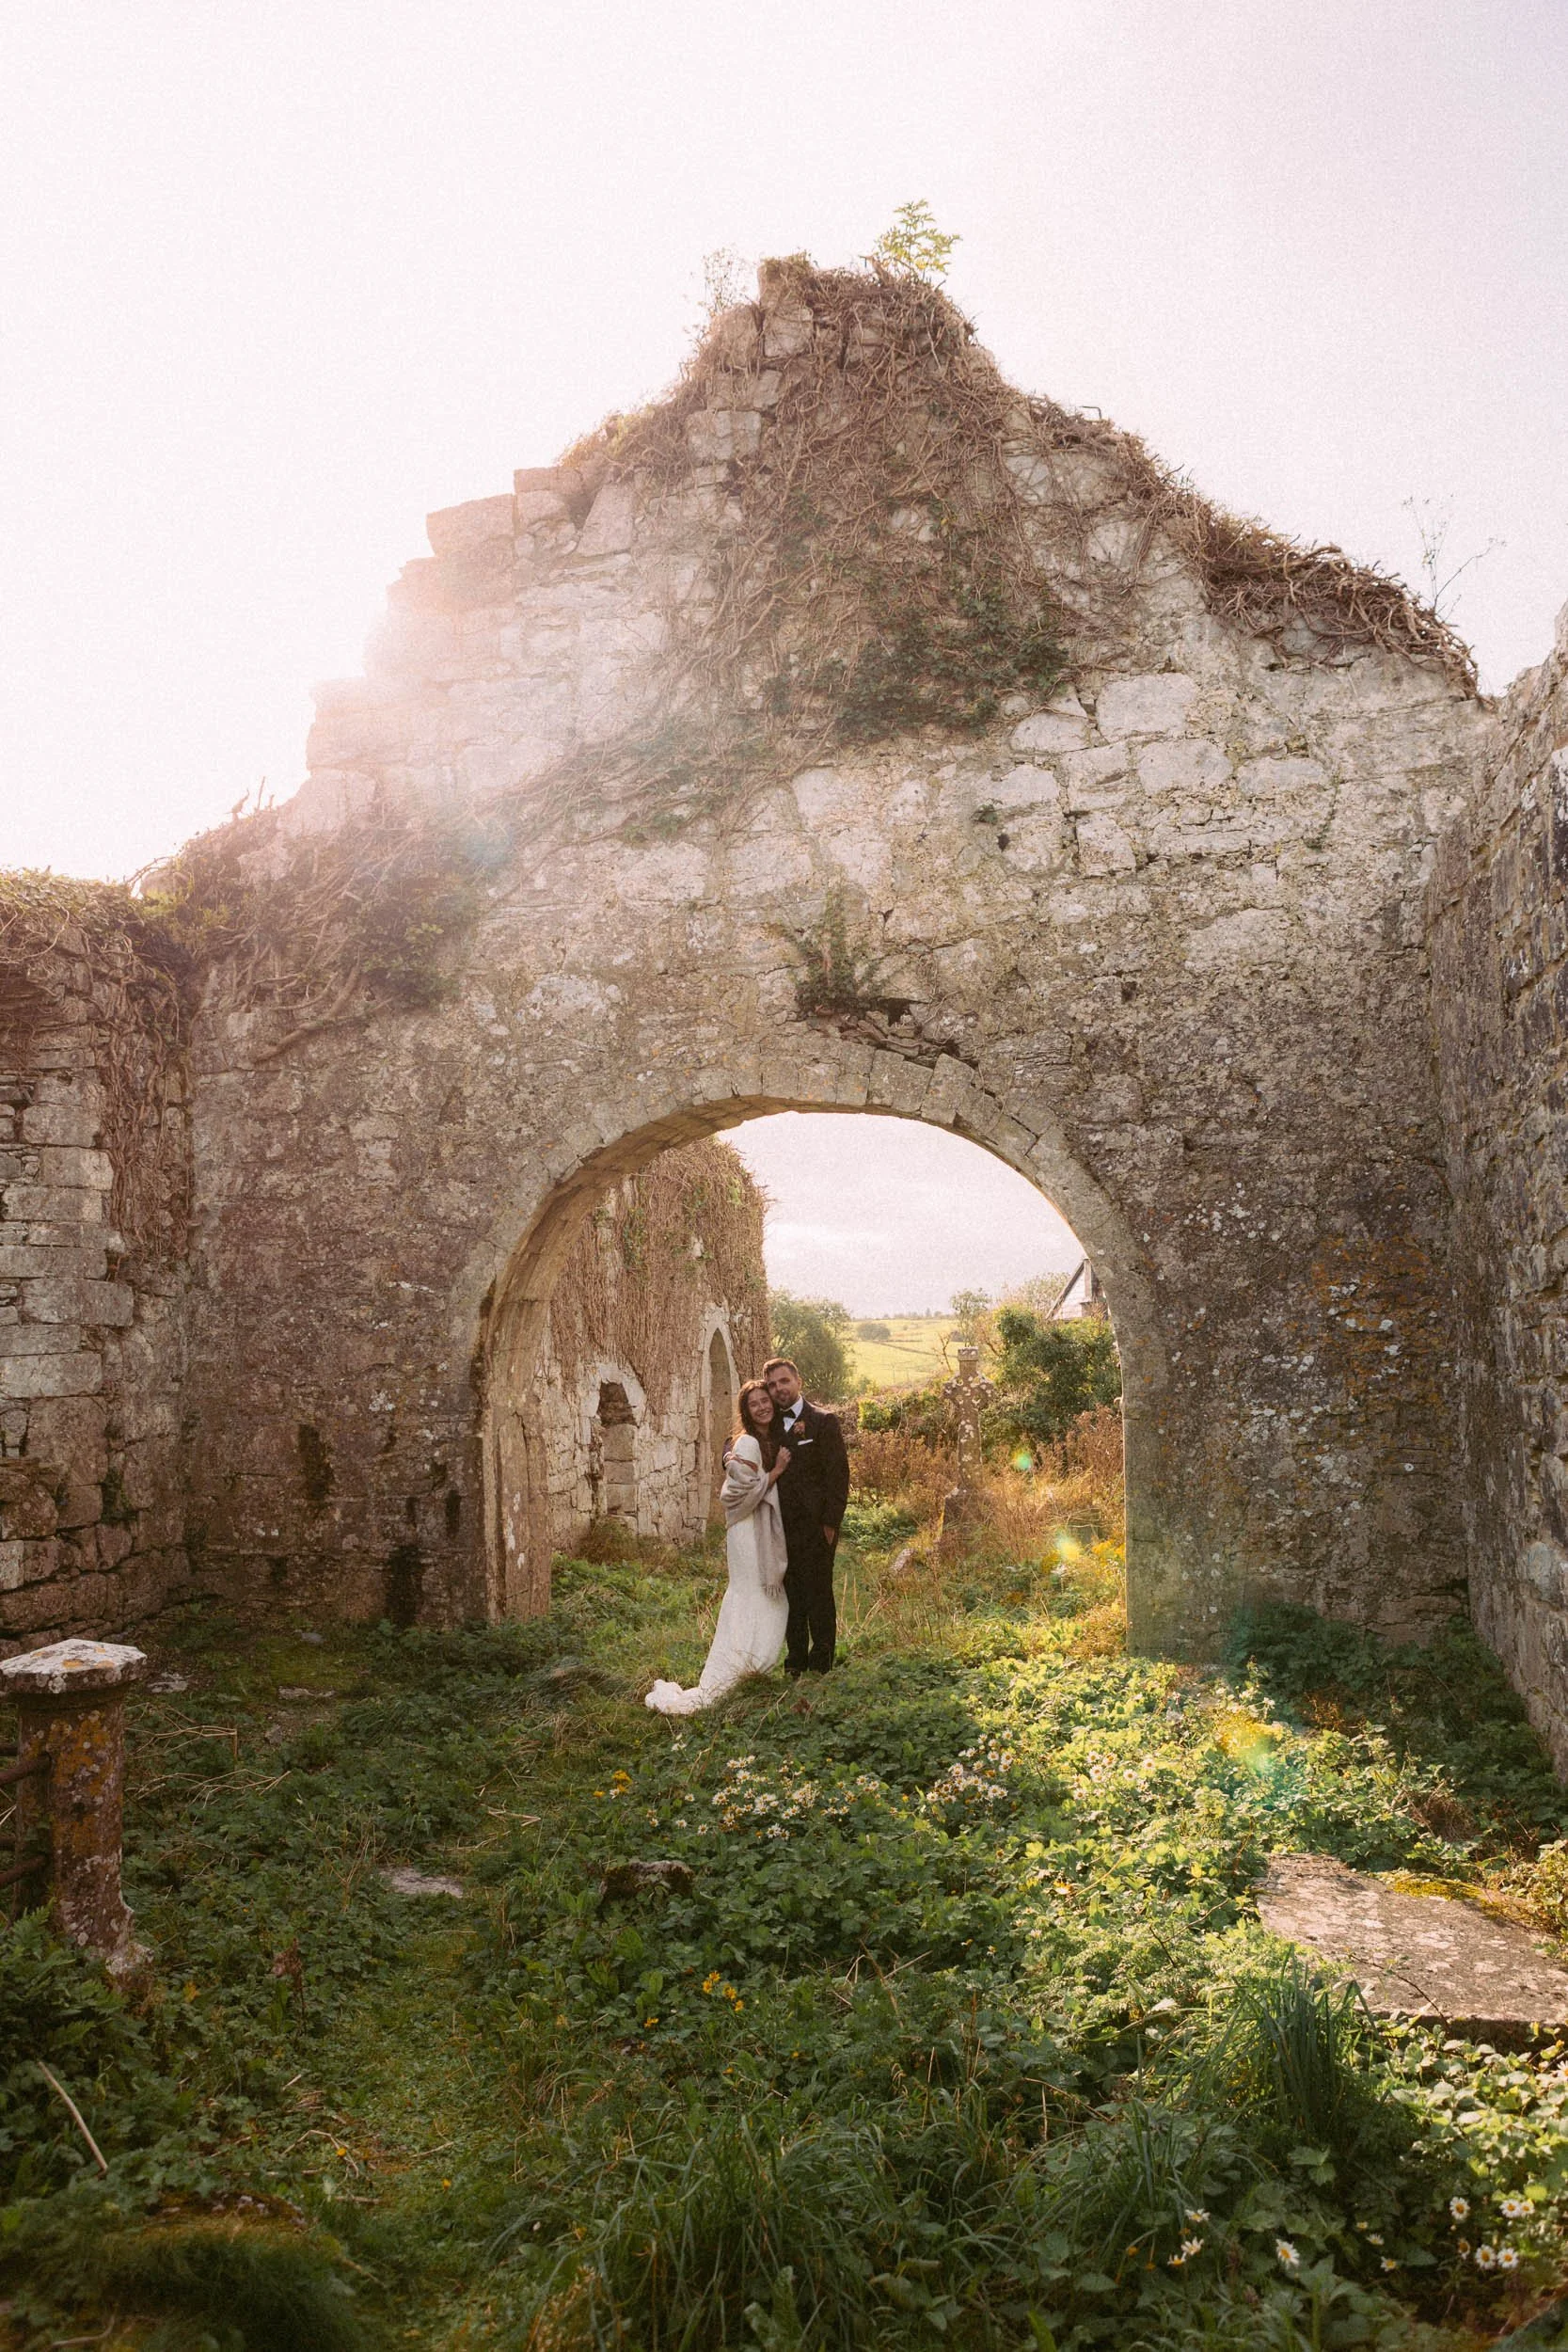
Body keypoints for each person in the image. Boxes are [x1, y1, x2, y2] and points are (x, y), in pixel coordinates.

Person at [644, 1380, 790, 1715]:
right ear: (745, 1411)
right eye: (753, 1404)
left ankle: (751, 1665)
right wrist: (779, 1470)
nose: (762, 1407)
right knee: (759, 1595)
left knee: (761, 1596)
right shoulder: (749, 1442)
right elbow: (737, 1493)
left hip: (756, 1529)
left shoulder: (766, 1439)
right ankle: (743, 1667)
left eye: (765, 1401)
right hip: (747, 1532)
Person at [763, 1355, 849, 1677]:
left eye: (784, 1381)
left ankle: (822, 1660)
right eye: (772, 1385)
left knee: (819, 1593)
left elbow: (838, 1475)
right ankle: (795, 1660)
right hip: (780, 1526)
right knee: (791, 1594)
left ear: (798, 1382)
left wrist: (830, 1523)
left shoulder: (823, 1421)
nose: (778, 1389)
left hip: (817, 1527)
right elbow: (738, 1442)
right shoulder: (768, 1424)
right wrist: (728, 1453)